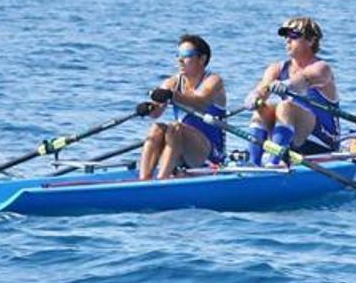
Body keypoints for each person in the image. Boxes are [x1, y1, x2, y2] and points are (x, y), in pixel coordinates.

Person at [244, 17, 340, 166]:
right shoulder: (276, 68)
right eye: (285, 36)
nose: (287, 40)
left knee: (285, 107)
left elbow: (303, 80)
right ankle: (253, 164)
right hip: (294, 137)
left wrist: (286, 84)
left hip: (323, 141)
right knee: (261, 107)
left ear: (310, 40)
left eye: (293, 36)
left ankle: (273, 164)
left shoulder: (322, 68)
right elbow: (262, 88)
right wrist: (255, 95)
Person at [136, 34, 227, 180]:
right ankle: (143, 181)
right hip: (182, 149)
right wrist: (148, 108)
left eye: (186, 55)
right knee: (157, 128)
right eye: (178, 55)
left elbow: (199, 101)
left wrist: (172, 95)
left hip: (210, 154)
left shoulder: (214, 81)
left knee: (176, 128)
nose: (180, 60)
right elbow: (157, 112)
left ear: (202, 59)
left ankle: (161, 181)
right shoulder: (172, 82)